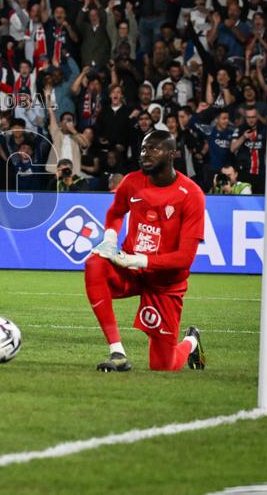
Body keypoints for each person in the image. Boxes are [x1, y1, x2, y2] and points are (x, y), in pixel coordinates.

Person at [84, 129, 207, 372]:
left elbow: (184, 259)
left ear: (172, 154)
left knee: (164, 366)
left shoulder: (191, 194)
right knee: (94, 263)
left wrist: (134, 259)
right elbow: (115, 212)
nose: (145, 154)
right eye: (142, 149)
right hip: (130, 271)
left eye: (154, 149)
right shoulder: (132, 181)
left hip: (165, 282)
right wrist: (110, 238)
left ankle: (191, 341)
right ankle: (117, 352)